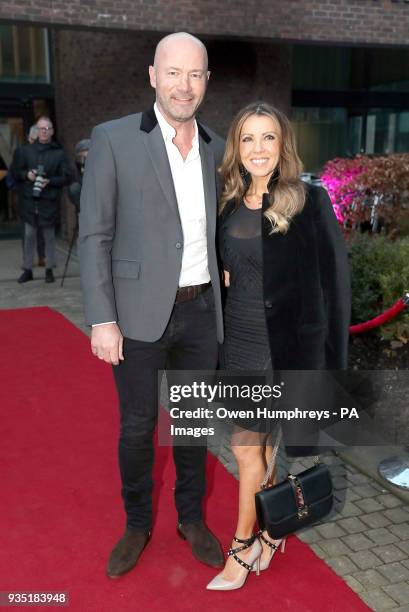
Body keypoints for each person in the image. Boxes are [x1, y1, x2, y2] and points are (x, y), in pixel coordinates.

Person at [79, 32, 225, 578]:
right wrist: (102, 318)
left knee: (191, 425)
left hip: (201, 311)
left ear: (206, 81)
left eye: (195, 75)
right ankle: (137, 523)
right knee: (139, 426)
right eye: (173, 72)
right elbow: (95, 234)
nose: (183, 85)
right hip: (136, 316)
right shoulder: (114, 138)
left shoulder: (215, 144)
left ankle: (190, 518)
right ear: (152, 76)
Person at [206, 102, 351, 591]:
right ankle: (272, 532)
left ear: (282, 144)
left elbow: (335, 286)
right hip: (239, 342)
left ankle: (241, 548)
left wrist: (330, 366)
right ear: (237, 148)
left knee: (246, 449)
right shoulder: (227, 202)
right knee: (260, 449)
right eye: (248, 139)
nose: (258, 149)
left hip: (284, 346)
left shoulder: (309, 201)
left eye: (268, 138)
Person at [12, 116, 72, 283]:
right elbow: (15, 173)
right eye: (41, 128)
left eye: (47, 129)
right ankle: (28, 269)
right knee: (29, 235)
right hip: (29, 200)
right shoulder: (25, 151)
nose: (44, 132)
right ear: (36, 131)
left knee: (49, 236)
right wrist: (27, 175)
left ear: (51, 131)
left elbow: (67, 177)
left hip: (49, 200)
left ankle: (49, 269)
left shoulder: (58, 154)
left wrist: (50, 181)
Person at [10, 125, 46, 267]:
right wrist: (26, 174)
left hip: (42, 194)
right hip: (25, 195)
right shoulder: (20, 152)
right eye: (34, 139)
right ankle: (27, 260)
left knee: (42, 226)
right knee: (27, 229)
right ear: (29, 138)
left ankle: (42, 257)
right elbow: (14, 172)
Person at [67, 139, 90, 213]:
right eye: (82, 154)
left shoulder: (101, 163)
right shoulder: (75, 166)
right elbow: (73, 187)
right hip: (83, 203)